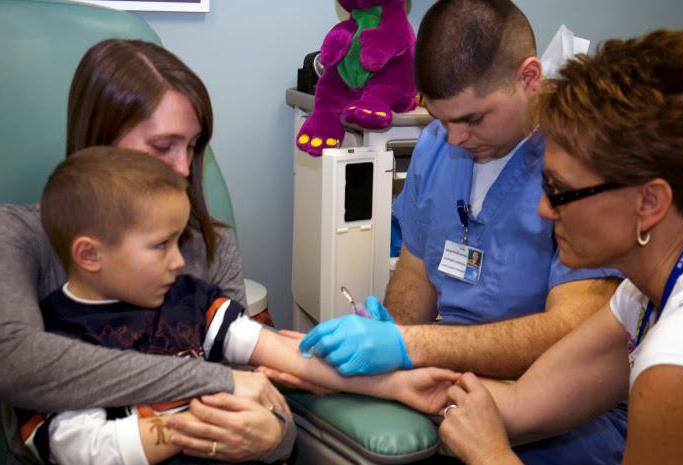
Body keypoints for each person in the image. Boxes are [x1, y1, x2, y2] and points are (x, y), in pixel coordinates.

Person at [298, 1, 627, 463]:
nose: (454, 139)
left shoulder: (579, 164)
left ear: (529, 78)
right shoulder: (438, 147)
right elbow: (416, 268)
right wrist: (392, 328)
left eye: (473, 119)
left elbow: (573, 331)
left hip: (561, 412)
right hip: (451, 381)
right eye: (440, 118)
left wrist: (408, 346)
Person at [19, 147, 460, 465]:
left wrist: (395, 385)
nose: (179, 261)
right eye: (161, 246)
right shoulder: (56, 340)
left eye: (178, 241)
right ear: (89, 255)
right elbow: (86, 450)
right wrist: (200, 418)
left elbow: (286, 355)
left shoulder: (188, 300)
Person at [0, 39, 289, 464]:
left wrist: (274, 437)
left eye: (192, 146)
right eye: (162, 146)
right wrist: (211, 380)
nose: (184, 168)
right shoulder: (19, 236)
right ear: (99, 141)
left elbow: (253, 388)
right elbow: (15, 363)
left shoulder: (211, 246)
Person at [440, 29, 683, 465]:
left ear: (650, 202)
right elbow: (525, 403)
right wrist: (406, 379)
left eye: (560, 192)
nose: (543, 210)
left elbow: (496, 436)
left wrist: (490, 456)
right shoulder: (642, 296)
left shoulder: (678, 356)